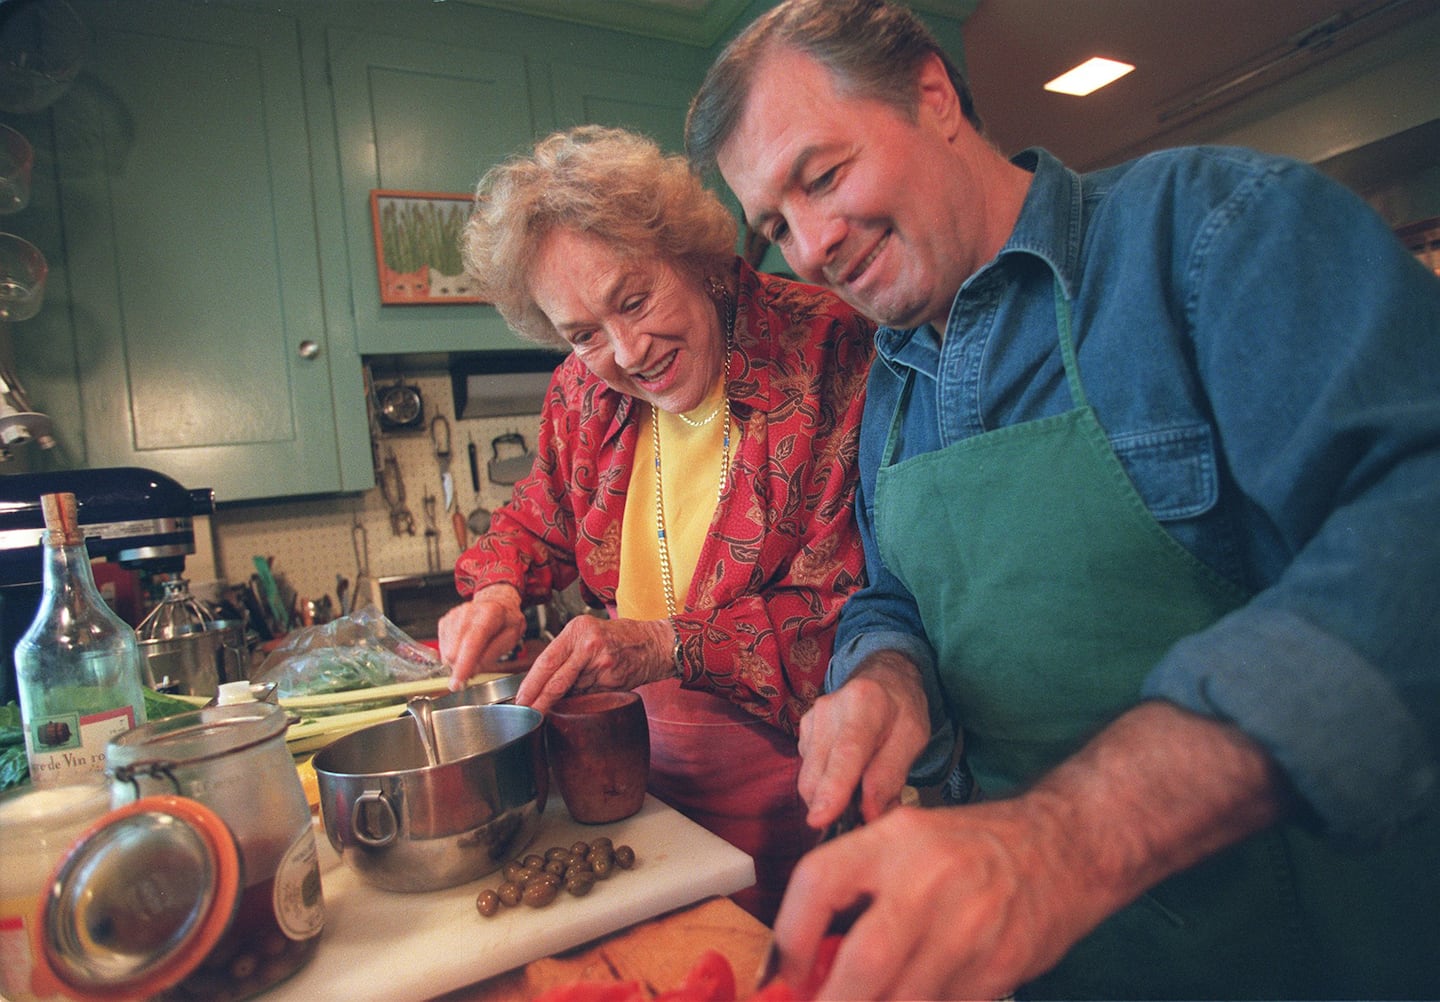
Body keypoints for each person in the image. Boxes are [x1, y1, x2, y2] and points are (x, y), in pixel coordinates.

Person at [687, 0, 1440, 997]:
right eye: (776, 226)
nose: (812, 246)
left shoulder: (1215, 231)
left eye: (821, 177)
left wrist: (1066, 838)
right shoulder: (892, 383)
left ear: (932, 94)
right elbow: (895, 597)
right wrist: (884, 681)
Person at [437, 125, 875, 923]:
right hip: (634, 785)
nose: (628, 352)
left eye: (634, 300)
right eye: (583, 334)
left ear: (694, 256)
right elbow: (541, 514)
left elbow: (846, 616)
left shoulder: (829, 351)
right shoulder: (584, 391)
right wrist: (496, 590)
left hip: (797, 784)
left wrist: (665, 645)